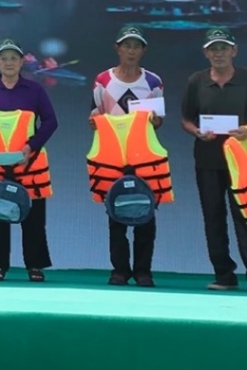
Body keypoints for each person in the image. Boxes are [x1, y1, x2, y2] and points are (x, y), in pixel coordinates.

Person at [0, 39, 58, 282]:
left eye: (13, 58)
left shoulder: (35, 90)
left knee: (34, 218)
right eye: (4, 58)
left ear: (21, 62)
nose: (9, 63)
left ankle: (34, 266)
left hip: (28, 163)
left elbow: (50, 122)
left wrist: (31, 147)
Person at [89, 26, 166, 287]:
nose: (131, 51)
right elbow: (95, 113)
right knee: (116, 216)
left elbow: (159, 121)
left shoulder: (153, 81)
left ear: (143, 50)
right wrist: (94, 120)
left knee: (146, 217)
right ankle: (120, 270)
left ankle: (143, 271)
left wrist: (155, 120)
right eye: (127, 45)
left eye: (136, 46)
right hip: (112, 157)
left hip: (143, 154)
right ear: (117, 48)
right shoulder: (103, 80)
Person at [180, 27, 247, 290]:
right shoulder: (196, 81)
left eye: (223, 48)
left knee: (244, 216)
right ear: (206, 53)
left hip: (242, 163)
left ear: (234, 51)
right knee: (213, 217)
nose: (218, 53)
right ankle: (224, 275)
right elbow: (186, 119)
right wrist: (196, 131)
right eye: (213, 49)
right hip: (208, 160)